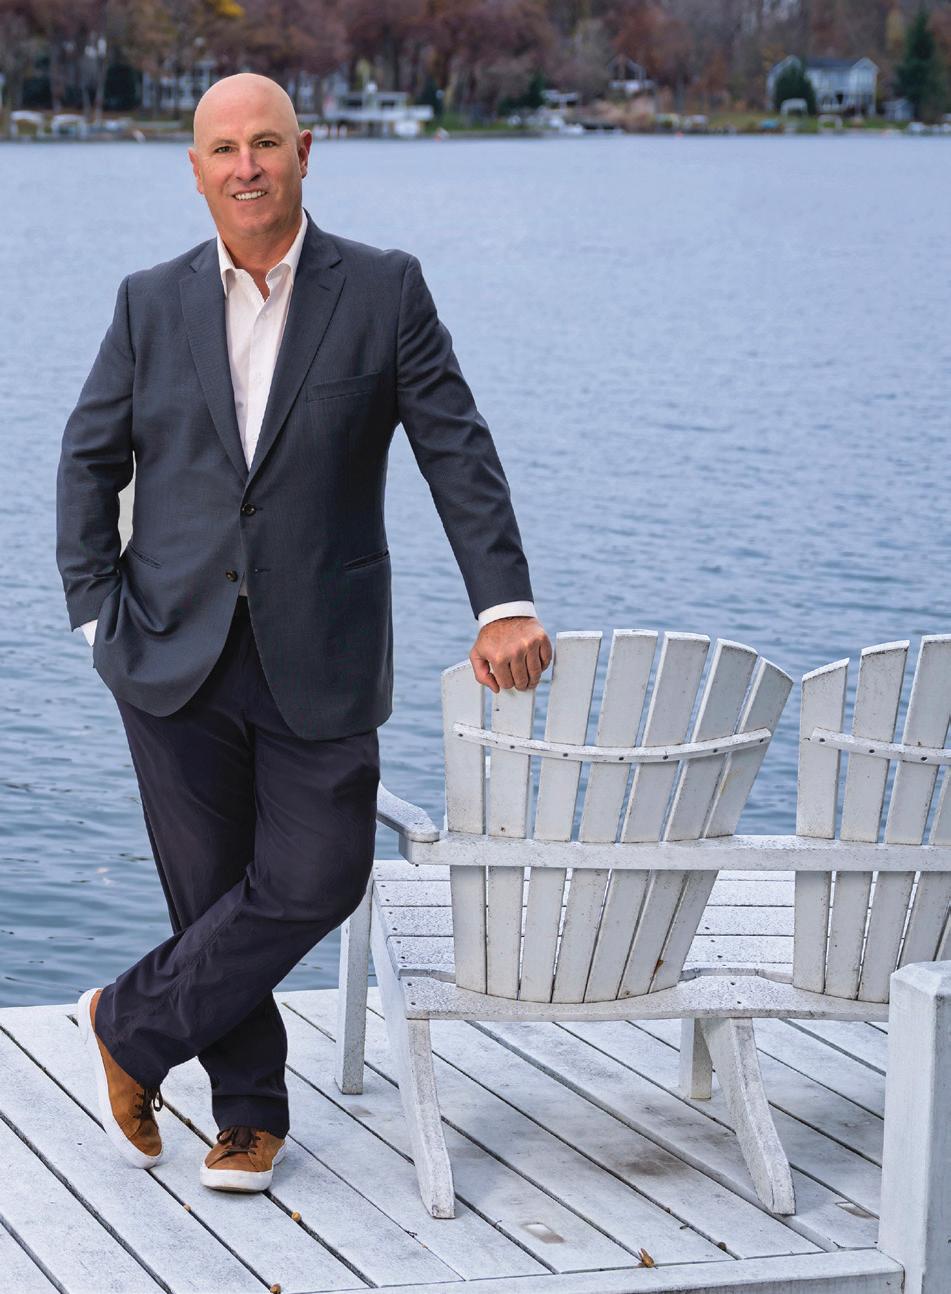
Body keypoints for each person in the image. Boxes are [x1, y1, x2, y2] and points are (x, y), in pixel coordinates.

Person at [56, 72, 551, 1194]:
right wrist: (95, 616)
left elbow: (455, 446)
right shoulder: (147, 301)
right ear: (196, 170)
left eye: (266, 143)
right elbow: (87, 461)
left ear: (305, 151)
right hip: (165, 644)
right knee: (208, 889)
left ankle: (127, 1023)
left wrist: (503, 601)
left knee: (321, 874)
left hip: (322, 646)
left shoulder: (382, 289)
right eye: (224, 149)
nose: (247, 167)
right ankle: (248, 1115)